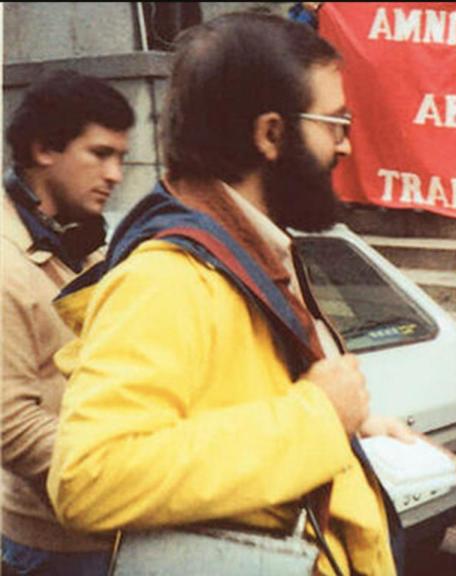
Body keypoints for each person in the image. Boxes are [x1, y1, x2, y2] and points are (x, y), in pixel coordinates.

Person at [45, 13, 414, 576]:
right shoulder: (166, 278)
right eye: (334, 122)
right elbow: (91, 476)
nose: (345, 143)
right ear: (270, 134)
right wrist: (318, 415)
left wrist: (356, 432)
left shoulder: (251, 251)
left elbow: (241, 412)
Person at [2, 70, 134, 576]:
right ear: (43, 150)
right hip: (56, 544)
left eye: (121, 157)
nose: (115, 173)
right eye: (100, 154)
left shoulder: (84, 243)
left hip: (110, 524)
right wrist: (130, 474)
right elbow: (9, 425)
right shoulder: (5, 264)